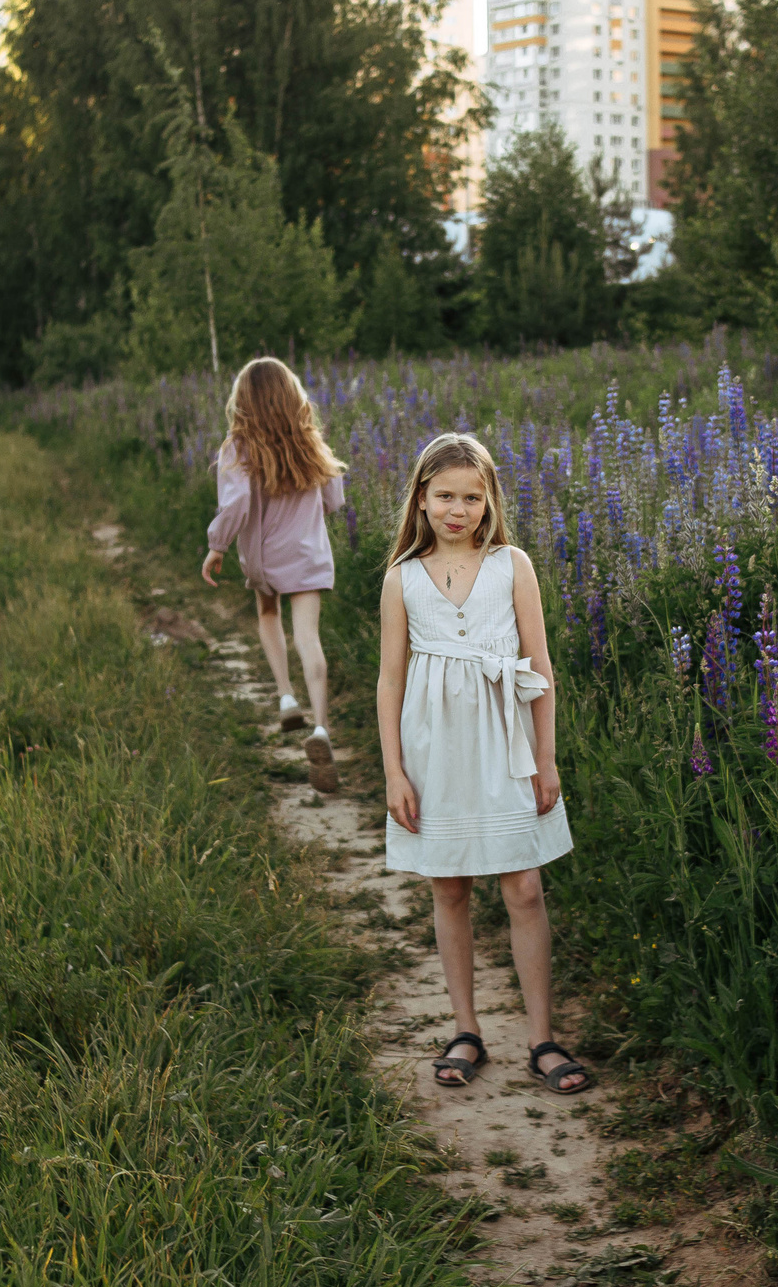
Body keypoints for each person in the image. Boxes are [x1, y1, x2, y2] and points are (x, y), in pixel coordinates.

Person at [378, 432, 591, 1096]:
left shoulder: (511, 565)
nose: (457, 509)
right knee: (449, 885)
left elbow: (541, 668)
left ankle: (542, 1036)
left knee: (523, 885)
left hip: (507, 744)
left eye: (472, 496)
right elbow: (390, 680)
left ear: (491, 499)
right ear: (421, 497)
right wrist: (394, 770)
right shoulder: (403, 579)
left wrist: (546, 758)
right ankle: (466, 1028)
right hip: (434, 749)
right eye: (444, 495)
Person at [202, 356, 347, 793]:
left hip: (264, 555)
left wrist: (217, 545)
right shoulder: (309, 439)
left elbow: (237, 504)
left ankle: (286, 696)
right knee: (309, 638)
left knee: (268, 616)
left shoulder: (238, 447)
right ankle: (320, 728)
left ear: (243, 400)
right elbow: (334, 500)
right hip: (307, 554)